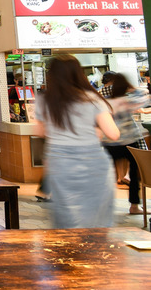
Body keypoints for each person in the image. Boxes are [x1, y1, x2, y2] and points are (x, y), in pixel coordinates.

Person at [34, 55, 119, 228]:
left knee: (67, 218)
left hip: (59, 162)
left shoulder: (44, 99)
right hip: (93, 161)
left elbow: (41, 132)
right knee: (96, 218)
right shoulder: (92, 99)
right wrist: (94, 131)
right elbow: (113, 134)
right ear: (78, 73)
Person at [102, 73, 150, 214]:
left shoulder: (108, 101)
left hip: (110, 142)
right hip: (130, 142)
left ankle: (102, 205)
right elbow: (145, 98)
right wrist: (133, 88)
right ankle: (134, 206)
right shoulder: (127, 100)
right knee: (134, 175)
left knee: (105, 175)